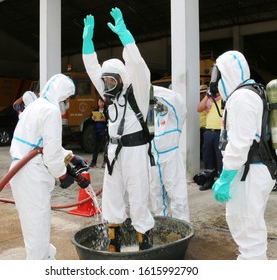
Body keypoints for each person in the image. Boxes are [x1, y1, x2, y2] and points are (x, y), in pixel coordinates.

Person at [82, 8, 155, 252]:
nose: (106, 87)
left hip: (135, 150)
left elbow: (137, 64)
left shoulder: (138, 91)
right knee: (112, 196)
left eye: (111, 82)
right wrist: (86, 42)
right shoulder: (110, 96)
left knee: (138, 197)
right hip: (114, 152)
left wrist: (126, 37)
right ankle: (114, 243)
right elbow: (93, 69)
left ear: (122, 79)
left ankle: (145, 243)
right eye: (104, 82)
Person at [8, 73, 89, 260]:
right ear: (61, 94)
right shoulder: (51, 110)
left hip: (21, 170)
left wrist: (69, 156)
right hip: (31, 173)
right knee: (37, 230)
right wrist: (62, 174)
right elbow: (50, 154)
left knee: (35, 226)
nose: (66, 102)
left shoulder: (35, 106)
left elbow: (39, 144)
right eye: (67, 98)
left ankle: (47, 259)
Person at [211, 50, 275, 260]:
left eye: (217, 74)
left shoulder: (241, 98)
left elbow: (239, 144)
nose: (215, 81)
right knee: (249, 231)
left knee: (248, 231)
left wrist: (225, 178)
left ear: (226, 73)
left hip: (248, 173)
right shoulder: (250, 93)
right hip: (250, 171)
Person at [149, 85, 190, 222]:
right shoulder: (153, 116)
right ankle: (162, 226)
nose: (158, 103)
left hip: (171, 158)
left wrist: (146, 88)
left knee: (177, 195)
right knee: (156, 196)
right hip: (153, 159)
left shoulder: (175, 116)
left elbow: (174, 98)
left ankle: (182, 226)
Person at [196, 90, 224, 191]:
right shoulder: (210, 101)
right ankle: (209, 179)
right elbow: (199, 108)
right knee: (208, 157)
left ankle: (221, 181)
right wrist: (207, 95)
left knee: (221, 158)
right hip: (209, 132)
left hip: (221, 132)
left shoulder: (225, 99)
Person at [89, 97, 108, 168]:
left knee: (105, 147)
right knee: (96, 148)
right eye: (100, 102)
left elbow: (110, 119)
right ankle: (93, 162)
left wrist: (105, 120)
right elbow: (90, 120)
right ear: (98, 102)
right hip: (97, 131)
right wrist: (92, 118)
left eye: (102, 102)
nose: (101, 103)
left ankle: (105, 162)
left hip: (105, 131)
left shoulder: (107, 110)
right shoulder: (95, 110)